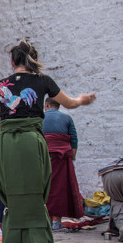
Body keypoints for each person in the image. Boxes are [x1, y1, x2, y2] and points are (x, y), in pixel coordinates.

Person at [0, 39, 96, 243]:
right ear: (33, 60)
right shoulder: (43, 81)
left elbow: (2, 117)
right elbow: (70, 103)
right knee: (35, 200)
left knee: (13, 202)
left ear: (12, 61)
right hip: (31, 143)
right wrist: (82, 100)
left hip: (7, 145)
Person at [43, 97, 84, 230]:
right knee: (60, 189)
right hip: (62, 158)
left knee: (46, 188)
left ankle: (48, 220)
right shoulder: (67, 118)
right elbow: (74, 141)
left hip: (43, 157)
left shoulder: (39, 118)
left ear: (47, 105)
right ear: (58, 106)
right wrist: (72, 159)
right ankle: (57, 221)